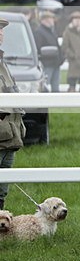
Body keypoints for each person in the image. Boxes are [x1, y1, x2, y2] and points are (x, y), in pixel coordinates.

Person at [0, 17, 26, 210]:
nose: (1, 34)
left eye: (2, 31)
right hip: (3, 131)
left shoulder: (3, 61)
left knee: (3, 187)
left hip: (10, 134)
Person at [33, 11, 63, 92]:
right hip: (47, 64)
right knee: (44, 87)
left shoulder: (51, 31)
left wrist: (61, 58)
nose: (53, 20)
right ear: (44, 20)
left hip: (55, 63)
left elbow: (57, 46)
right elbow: (39, 49)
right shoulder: (39, 32)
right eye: (51, 18)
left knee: (56, 87)